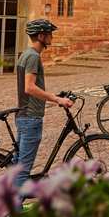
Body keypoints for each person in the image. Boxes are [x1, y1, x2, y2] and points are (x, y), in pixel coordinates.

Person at [13, 19, 73, 190]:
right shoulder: (32, 56)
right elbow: (30, 87)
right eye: (49, 34)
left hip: (23, 114)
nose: (51, 37)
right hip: (31, 117)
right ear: (41, 36)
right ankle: (15, 210)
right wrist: (57, 99)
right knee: (23, 170)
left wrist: (54, 94)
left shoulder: (25, 54)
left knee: (18, 166)